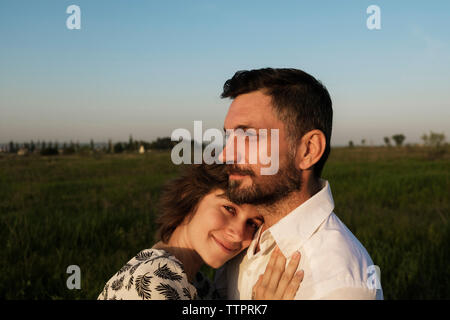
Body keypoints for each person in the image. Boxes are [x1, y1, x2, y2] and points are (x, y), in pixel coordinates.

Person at [214, 67, 384, 300]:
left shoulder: (338, 282)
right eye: (229, 137)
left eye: (248, 136)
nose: (225, 155)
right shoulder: (244, 234)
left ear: (308, 150)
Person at [98, 163, 303, 300]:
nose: (239, 234)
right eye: (229, 209)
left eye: (252, 223)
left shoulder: (197, 281)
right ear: (191, 196)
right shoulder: (153, 282)